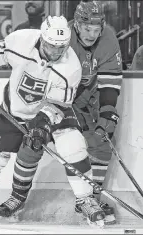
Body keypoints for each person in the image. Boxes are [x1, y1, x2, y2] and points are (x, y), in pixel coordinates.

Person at [0, 15, 107, 227]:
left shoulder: (72, 67)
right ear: (42, 38)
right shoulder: (20, 41)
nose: (57, 52)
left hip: (53, 112)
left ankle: (85, 199)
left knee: (73, 146)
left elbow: (58, 105)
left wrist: (42, 124)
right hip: (14, 109)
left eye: (62, 47)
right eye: (52, 46)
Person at [69, 0, 123, 224]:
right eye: (87, 29)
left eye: (96, 29)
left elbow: (110, 83)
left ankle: (92, 197)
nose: (92, 35)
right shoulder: (64, 37)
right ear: (77, 26)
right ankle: (18, 195)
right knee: (71, 143)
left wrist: (108, 113)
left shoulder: (108, 38)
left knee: (102, 136)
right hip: (61, 96)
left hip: (90, 96)